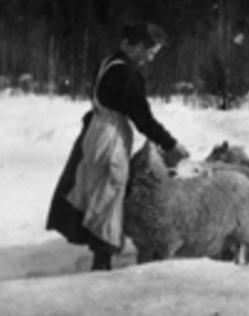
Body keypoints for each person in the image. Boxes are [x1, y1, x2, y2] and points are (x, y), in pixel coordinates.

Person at [46, 22, 190, 270]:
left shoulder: (108, 63)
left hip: (97, 133)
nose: (149, 59)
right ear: (133, 46)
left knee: (99, 194)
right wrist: (171, 145)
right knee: (109, 195)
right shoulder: (126, 75)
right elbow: (144, 120)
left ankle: (101, 260)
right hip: (109, 140)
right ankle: (102, 266)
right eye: (149, 52)